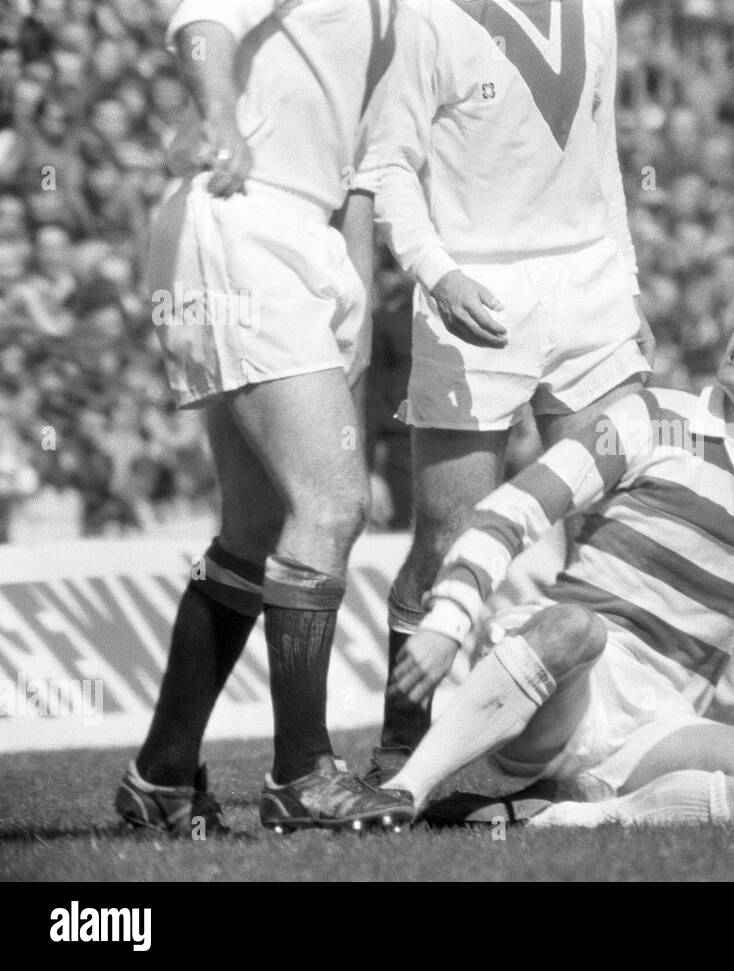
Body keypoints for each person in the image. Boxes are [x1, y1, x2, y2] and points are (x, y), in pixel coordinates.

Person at [381, 276, 734, 827]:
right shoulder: (652, 419)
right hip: (560, 679)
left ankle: (557, 818)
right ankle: (402, 794)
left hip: (660, 725)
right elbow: (512, 511)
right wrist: (449, 620)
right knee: (578, 628)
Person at [114, 0, 413, 836]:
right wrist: (216, 113)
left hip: (295, 233)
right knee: (332, 505)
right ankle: (302, 774)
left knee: (255, 527)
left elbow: (361, 173)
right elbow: (202, 17)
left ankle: (162, 776)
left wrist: (349, 305)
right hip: (243, 207)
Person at [358, 0, 655, 783]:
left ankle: (603, 735)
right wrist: (436, 273)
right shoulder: (428, 16)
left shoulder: (594, 7)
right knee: (448, 537)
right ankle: (401, 744)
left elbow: (604, 150)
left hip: (588, 281)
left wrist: (624, 285)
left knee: (610, 519)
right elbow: (388, 162)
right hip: (474, 281)